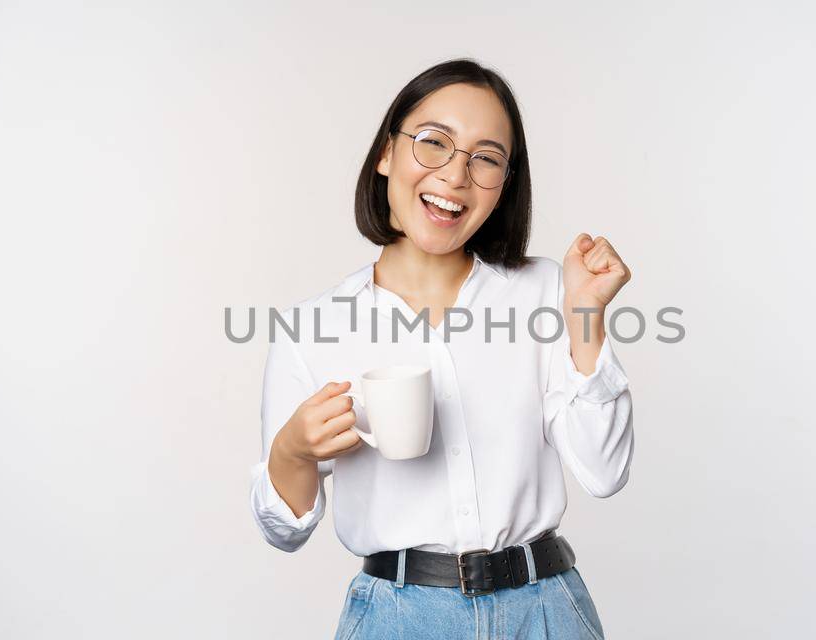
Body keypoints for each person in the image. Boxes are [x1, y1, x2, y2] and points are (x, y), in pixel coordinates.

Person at [247, 59, 635, 640]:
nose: (456, 176)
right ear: (386, 155)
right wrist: (295, 451)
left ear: (504, 184)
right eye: (434, 143)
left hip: (547, 610)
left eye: (486, 158)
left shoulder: (548, 290)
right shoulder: (311, 328)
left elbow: (605, 473)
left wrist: (585, 316)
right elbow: (286, 532)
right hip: (399, 619)